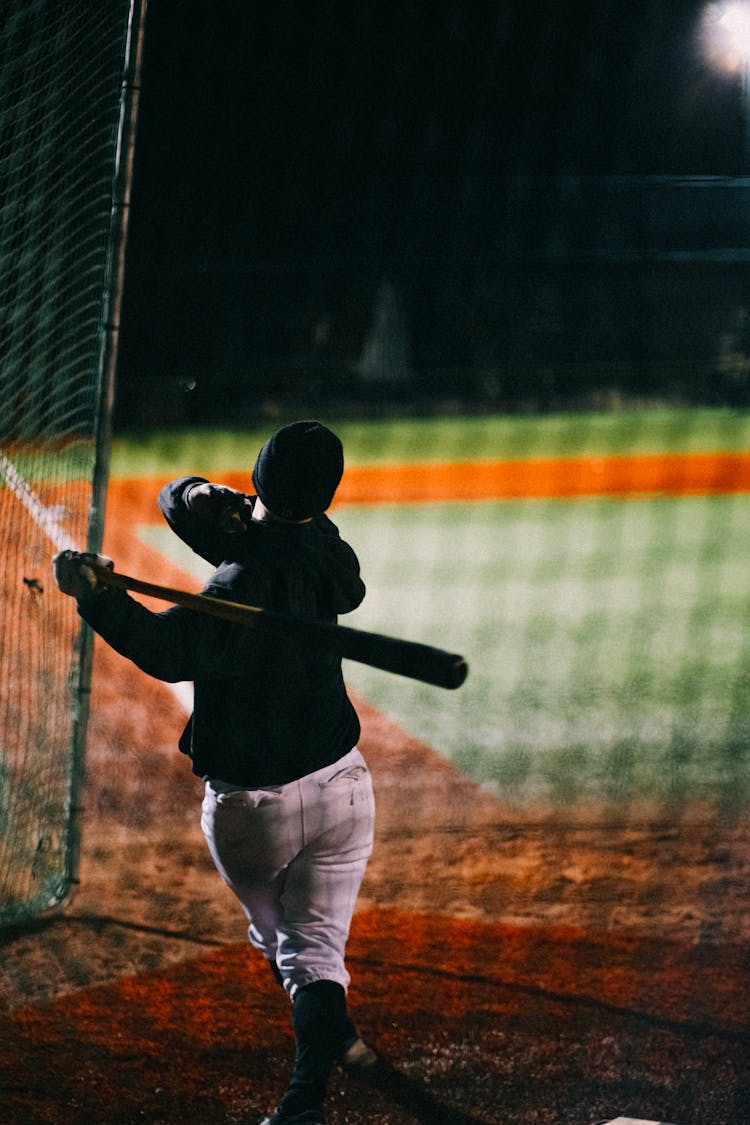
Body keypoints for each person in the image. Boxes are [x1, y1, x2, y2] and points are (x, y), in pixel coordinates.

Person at [53, 420, 377, 1125]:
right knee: (314, 950)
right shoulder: (330, 554)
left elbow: (166, 648)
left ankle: (302, 1103)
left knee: (286, 948)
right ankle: (334, 1032)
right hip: (345, 787)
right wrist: (202, 497)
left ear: (258, 479)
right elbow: (191, 507)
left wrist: (96, 594)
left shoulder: (236, 579)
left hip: (251, 812)